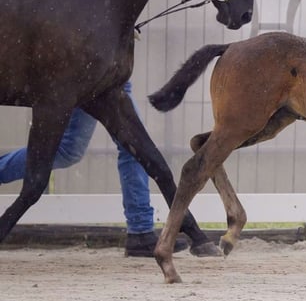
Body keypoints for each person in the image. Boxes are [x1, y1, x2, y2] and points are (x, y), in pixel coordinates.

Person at [0, 81, 188, 257]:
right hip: (96, 72)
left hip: (103, 70)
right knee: (123, 146)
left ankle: (140, 231)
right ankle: (140, 231)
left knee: (77, 149)